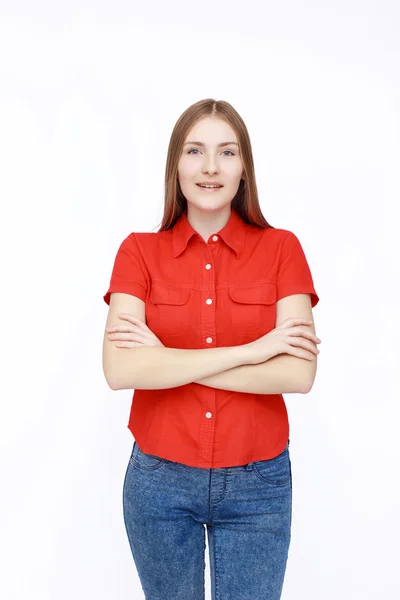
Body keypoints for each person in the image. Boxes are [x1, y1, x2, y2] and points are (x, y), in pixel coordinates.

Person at [102, 98, 321, 600]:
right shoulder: (138, 252)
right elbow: (119, 369)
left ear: (244, 169)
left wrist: (167, 361)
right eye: (194, 150)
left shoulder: (282, 248)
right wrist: (255, 349)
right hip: (159, 479)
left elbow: (298, 375)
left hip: (258, 482)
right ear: (175, 164)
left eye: (227, 152)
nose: (209, 167)